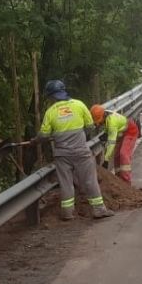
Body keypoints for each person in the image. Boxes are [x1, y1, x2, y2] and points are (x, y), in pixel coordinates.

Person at [38, 80, 114, 220]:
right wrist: (78, 133)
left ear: (52, 97)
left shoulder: (50, 112)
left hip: (62, 154)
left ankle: (67, 213)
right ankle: (98, 210)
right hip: (81, 151)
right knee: (90, 180)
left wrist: (38, 140)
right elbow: (90, 126)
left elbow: (43, 135)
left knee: (66, 183)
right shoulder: (79, 105)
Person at [91, 104, 140, 184]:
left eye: (99, 122)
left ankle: (126, 182)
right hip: (122, 133)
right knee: (117, 156)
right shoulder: (106, 115)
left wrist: (106, 160)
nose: (98, 124)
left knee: (123, 154)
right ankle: (118, 179)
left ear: (102, 117)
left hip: (131, 131)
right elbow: (110, 128)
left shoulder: (111, 122)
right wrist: (106, 133)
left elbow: (111, 143)